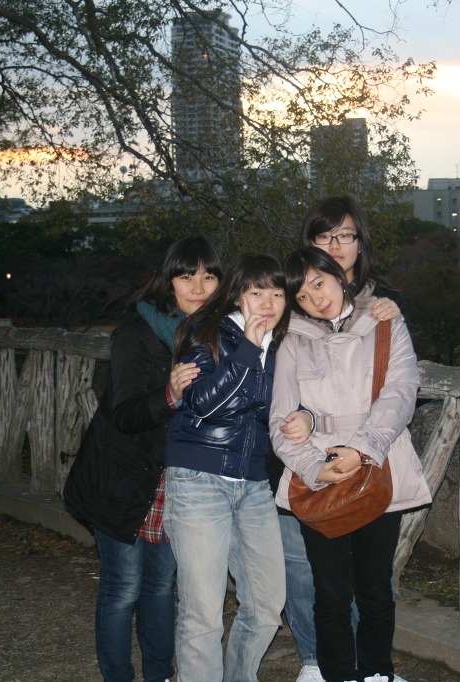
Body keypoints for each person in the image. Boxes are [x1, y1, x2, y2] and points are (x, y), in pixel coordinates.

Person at [63, 236, 221, 682]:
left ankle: (159, 674)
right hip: (121, 478)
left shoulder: (216, 335)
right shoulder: (137, 332)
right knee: (122, 587)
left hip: (175, 481)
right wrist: (169, 394)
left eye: (209, 277)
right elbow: (125, 414)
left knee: (160, 586)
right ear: (168, 280)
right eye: (186, 276)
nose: (198, 287)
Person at [270, 247, 431, 682]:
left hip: (378, 462)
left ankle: (377, 672)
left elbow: (401, 392)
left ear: (338, 275)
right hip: (321, 474)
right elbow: (280, 418)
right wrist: (313, 467)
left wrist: (361, 449)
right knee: (330, 591)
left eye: (318, 283)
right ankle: (337, 674)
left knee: (376, 587)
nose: (315, 299)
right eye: (302, 296)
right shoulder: (292, 340)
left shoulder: (384, 322)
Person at [163, 253, 290, 682]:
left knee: (267, 604)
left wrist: (306, 416)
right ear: (237, 294)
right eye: (257, 292)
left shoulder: (281, 345)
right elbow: (202, 404)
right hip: (198, 478)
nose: (268, 303)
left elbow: (282, 408)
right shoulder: (207, 332)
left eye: (278, 294)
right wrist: (248, 350)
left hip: (252, 482)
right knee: (203, 613)